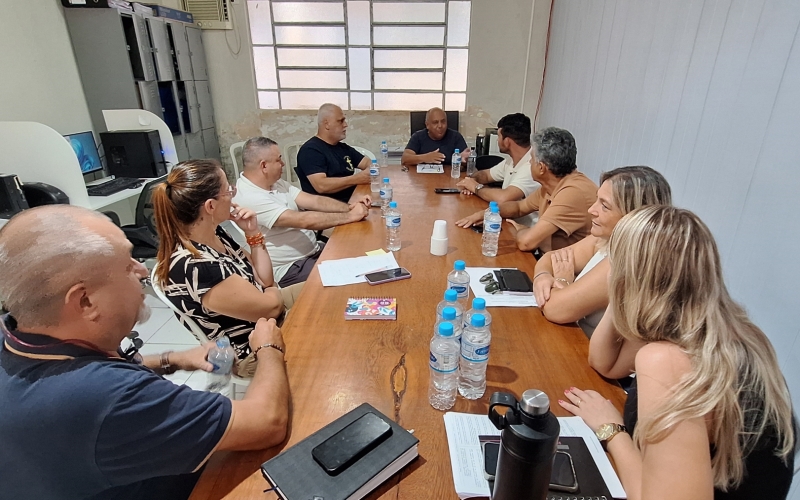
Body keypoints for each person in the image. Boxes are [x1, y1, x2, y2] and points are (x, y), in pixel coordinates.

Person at [0, 205, 289, 500]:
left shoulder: (17, 335)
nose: (142, 270)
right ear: (85, 301)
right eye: (127, 265)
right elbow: (268, 422)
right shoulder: (106, 396)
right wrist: (268, 346)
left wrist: (172, 359)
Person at [561, 206, 795, 500]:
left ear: (629, 276)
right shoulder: (733, 332)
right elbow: (603, 363)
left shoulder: (667, 359)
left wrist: (612, 431)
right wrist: (621, 295)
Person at [153, 159, 300, 375]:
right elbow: (271, 307)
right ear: (210, 206)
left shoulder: (214, 233)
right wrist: (271, 291)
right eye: (228, 190)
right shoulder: (195, 266)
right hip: (251, 349)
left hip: (267, 315)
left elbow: (265, 279)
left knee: (328, 290)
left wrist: (252, 233)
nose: (233, 195)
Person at [532, 166, 671, 337]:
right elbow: (549, 258)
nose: (592, 210)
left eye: (604, 206)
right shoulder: (605, 237)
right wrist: (542, 276)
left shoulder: (625, 263)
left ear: (632, 216)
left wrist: (563, 281)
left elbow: (555, 309)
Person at [235, 136, 371, 287]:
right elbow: (304, 221)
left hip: (313, 253)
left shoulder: (274, 183)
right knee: (357, 275)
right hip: (292, 268)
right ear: (264, 166)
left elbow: (314, 201)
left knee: (363, 251)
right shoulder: (249, 197)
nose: (283, 164)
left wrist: (349, 207)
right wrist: (351, 216)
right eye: (278, 160)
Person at [456, 127, 597, 254]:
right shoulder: (551, 186)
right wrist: (485, 214)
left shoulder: (572, 192)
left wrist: (522, 229)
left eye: (532, 158)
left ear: (541, 168)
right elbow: (519, 207)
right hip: (550, 260)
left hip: (569, 275)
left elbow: (526, 242)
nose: (529, 162)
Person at [455, 113, 540, 226]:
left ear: (507, 141)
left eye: (499, 136)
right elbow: (485, 175)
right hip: (505, 220)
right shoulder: (511, 161)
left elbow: (504, 198)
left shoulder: (531, 165)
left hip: (525, 229)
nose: (497, 140)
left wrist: (476, 187)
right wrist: (471, 181)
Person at [296, 103, 371, 203]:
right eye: (340, 121)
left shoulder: (343, 148)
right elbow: (321, 185)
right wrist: (356, 179)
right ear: (327, 124)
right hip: (326, 210)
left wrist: (370, 170)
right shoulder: (310, 151)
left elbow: (368, 163)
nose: (345, 125)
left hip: (350, 201)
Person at [401, 107, 469, 167]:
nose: (440, 126)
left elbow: (465, 160)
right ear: (427, 125)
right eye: (435, 122)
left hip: (448, 178)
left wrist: (465, 160)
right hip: (423, 179)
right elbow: (405, 159)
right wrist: (425, 158)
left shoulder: (456, 137)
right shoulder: (418, 137)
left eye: (443, 122)